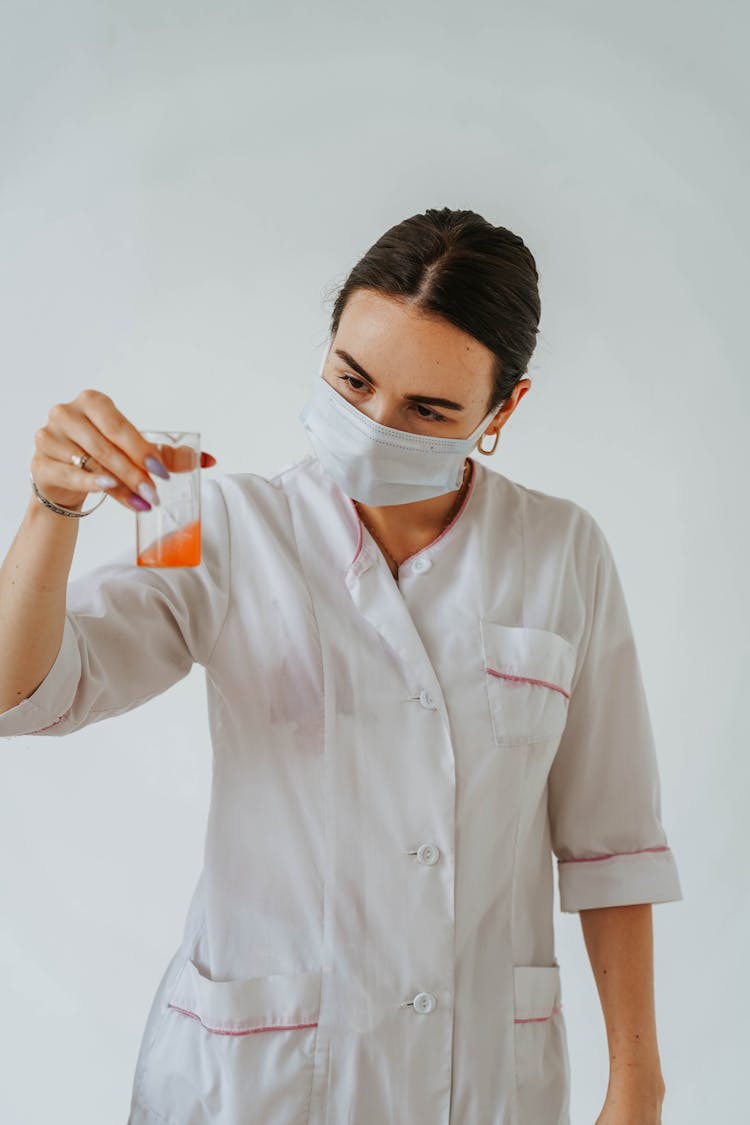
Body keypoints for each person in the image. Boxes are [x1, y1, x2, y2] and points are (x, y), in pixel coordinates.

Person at [0, 207, 682, 1125]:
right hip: (258, 1080)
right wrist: (51, 508)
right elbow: (27, 694)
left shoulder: (562, 550)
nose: (372, 426)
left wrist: (637, 1081)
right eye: (352, 380)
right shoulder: (208, 518)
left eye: (428, 410)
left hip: (481, 1075)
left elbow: (612, 840)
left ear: (502, 410)